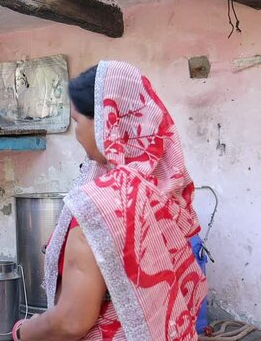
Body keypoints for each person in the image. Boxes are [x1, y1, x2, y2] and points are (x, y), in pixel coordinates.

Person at [12, 61, 207, 340]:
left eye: (77, 122)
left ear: (107, 122)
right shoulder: (167, 190)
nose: (77, 134)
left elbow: (71, 321)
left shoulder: (101, 205)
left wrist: (22, 332)